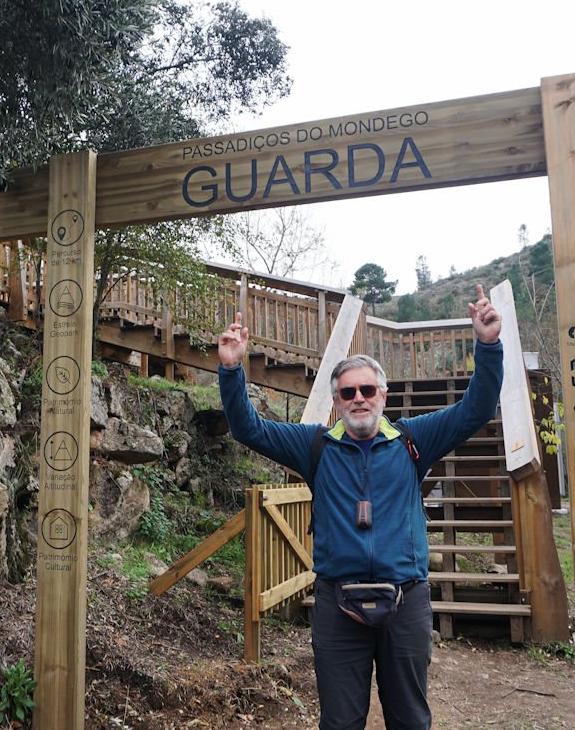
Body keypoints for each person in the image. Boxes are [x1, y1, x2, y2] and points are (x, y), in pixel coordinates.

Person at [216, 285, 504, 730]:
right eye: (348, 392)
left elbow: (476, 409)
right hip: (337, 601)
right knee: (339, 722)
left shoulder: (413, 440)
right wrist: (232, 369)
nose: (358, 398)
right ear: (336, 402)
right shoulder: (315, 445)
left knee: (410, 720)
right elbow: (247, 429)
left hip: (406, 599)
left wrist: (487, 345)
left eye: (367, 389)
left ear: (383, 396)